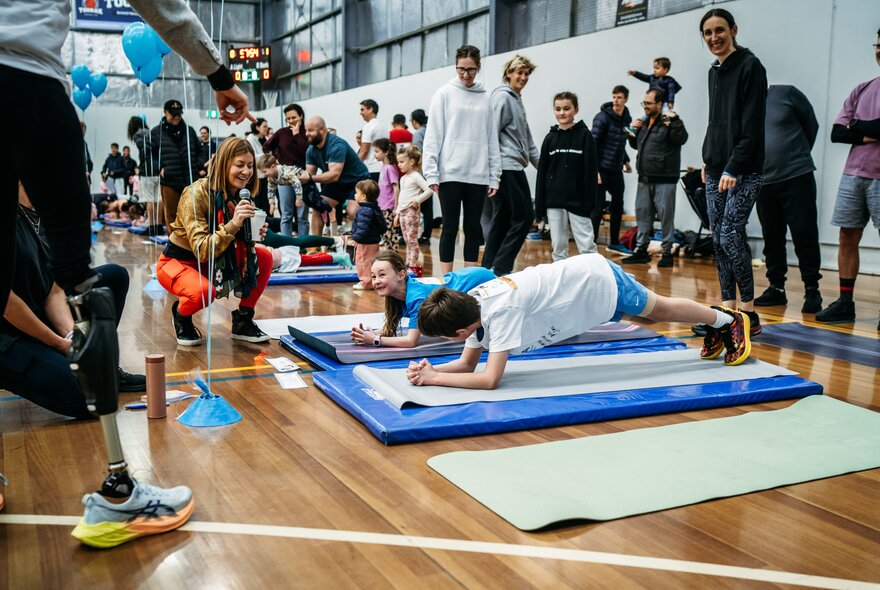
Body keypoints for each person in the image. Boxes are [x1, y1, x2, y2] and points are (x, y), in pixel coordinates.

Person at [2, 0, 255, 544]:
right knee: (84, 284)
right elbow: (163, 7)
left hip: (30, 83)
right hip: (28, 84)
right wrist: (219, 74)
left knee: (89, 286)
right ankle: (118, 494)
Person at [411, 254, 752, 389]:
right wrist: (434, 371)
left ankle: (729, 320)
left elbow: (489, 380)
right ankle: (721, 322)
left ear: (459, 330)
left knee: (658, 311)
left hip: (595, 280)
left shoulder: (499, 312)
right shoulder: (472, 307)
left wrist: (432, 380)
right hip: (583, 292)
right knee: (654, 313)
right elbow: (468, 364)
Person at [1, 184, 145, 420]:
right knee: (89, 400)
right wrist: (58, 344)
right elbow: (8, 305)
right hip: (9, 335)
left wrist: (75, 339)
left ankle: (104, 368)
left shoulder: (44, 213)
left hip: (38, 311)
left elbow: (54, 292)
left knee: (114, 277)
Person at [157, 138, 272, 346]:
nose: (246, 172)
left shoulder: (240, 196)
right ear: (224, 163)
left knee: (264, 256)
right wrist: (235, 224)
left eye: (250, 166)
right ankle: (181, 316)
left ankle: (243, 320)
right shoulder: (195, 193)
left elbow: (237, 241)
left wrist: (254, 233)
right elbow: (202, 249)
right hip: (178, 263)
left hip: (214, 261)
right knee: (202, 292)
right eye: (239, 165)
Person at [700, 8, 767, 336]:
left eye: (720, 30)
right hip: (715, 168)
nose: (714, 38)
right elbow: (717, 121)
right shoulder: (714, 71)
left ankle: (749, 314)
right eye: (708, 33)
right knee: (717, 239)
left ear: (733, 30)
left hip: (744, 170)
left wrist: (733, 166)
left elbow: (751, 125)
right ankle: (727, 311)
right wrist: (708, 159)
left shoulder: (751, 66)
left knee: (730, 235)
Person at [815, 29, 880, 328]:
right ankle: (845, 302)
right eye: (878, 44)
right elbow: (837, 132)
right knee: (847, 236)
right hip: (853, 175)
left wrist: (858, 127)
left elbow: (854, 128)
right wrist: (868, 128)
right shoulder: (863, 88)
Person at [423, 44, 502, 274]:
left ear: (478, 68)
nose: (466, 74)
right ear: (455, 67)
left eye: (471, 69)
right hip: (450, 173)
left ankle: (468, 279)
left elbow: (491, 139)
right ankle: (447, 280)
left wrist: (494, 176)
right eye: (461, 69)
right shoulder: (444, 93)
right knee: (449, 228)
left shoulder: (485, 98)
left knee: (472, 228)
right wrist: (431, 172)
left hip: (478, 175)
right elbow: (433, 135)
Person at [753, 84, 822, 312]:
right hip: (763, 181)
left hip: (797, 176)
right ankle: (776, 288)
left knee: (804, 234)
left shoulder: (787, 93)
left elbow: (811, 125)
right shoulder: (744, 104)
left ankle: (812, 290)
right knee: (772, 237)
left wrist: (796, 156)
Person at [351, 251, 494, 348]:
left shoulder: (416, 298)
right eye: (374, 276)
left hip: (480, 280)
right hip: (467, 276)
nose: (376, 281)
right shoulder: (398, 295)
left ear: (401, 275)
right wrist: (370, 334)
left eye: (382, 275)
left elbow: (411, 341)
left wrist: (375, 340)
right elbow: (390, 328)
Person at [481, 54, 540, 276]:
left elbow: (528, 142)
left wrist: (544, 169)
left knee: (503, 219)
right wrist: (493, 173)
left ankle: (487, 270)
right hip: (506, 167)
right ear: (509, 73)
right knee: (524, 218)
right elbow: (490, 135)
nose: (523, 77)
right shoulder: (503, 98)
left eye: (526, 74)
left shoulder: (516, 99)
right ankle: (501, 268)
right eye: (519, 73)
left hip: (513, 165)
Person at [622, 88, 689, 268]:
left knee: (666, 216)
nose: (645, 106)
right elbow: (637, 145)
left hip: (665, 178)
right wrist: (632, 131)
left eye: (649, 103)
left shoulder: (669, 120)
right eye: (644, 103)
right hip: (644, 177)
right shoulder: (645, 123)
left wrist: (673, 121)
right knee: (643, 214)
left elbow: (681, 139)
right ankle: (641, 250)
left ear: (659, 104)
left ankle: (667, 252)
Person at [535, 91, 599, 260]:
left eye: (566, 108)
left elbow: (591, 172)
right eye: (558, 109)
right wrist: (540, 207)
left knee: (587, 248)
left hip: (579, 203)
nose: (562, 113)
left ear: (575, 110)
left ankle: (594, 282)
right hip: (554, 202)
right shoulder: (550, 138)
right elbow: (542, 173)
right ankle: (562, 283)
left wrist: (589, 203)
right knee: (558, 248)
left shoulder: (585, 136)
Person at [298, 116, 370, 237]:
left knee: (352, 212)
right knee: (318, 208)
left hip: (357, 181)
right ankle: (315, 247)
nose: (306, 134)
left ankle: (362, 241)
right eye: (306, 130)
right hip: (337, 184)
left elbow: (334, 175)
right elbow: (309, 174)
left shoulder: (337, 145)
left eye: (310, 130)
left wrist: (309, 178)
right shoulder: (311, 150)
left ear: (321, 130)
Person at [150, 99, 207, 234]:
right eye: (172, 114)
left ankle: (192, 246)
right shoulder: (156, 132)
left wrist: (198, 167)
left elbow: (201, 151)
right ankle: (174, 248)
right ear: (165, 112)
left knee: (193, 215)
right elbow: (149, 156)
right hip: (169, 181)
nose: (176, 117)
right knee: (171, 216)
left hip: (191, 181)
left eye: (179, 114)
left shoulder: (189, 131)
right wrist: (160, 169)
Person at [590, 85, 633, 253]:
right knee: (597, 208)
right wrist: (595, 171)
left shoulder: (626, 118)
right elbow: (592, 144)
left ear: (626, 99)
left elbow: (619, 143)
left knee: (618, 205)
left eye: (619, 97)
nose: (616, 100)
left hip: (615, 169)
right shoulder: (602, 117)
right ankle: (591, 246)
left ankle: (614, 242)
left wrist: (626, 161)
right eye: (614, 97)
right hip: (600, 169)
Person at [263, 103, 309, 236]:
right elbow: (266, 146)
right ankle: (286, 245)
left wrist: (296, 134)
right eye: (288, 118)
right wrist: (274, 159)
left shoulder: (306, 132)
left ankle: (303, 246)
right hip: (283, 174)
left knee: (302, 216)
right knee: (286, 214)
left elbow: (306, 150)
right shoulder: (282, 132)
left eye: (294, 117)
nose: (291, 121)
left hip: (302, 174)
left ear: (301, 116)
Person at [395, 146, 434, 275]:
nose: (398, 165)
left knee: (412, 240)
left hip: (411, 212)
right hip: (403, 212)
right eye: (398, 162)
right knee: (406, 240)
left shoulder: (416, 176)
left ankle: (413, 266)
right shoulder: (403, 178)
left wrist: (417, 200)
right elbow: (402, 196)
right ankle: (408, 263)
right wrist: (397, 213)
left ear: (411, 162)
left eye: (401, 162)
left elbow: (429, 190)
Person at [349, 179, 387, 290]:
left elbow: (363, 227)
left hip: (364, 242)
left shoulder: (364, 210)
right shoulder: (376, 208)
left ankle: (366, 282)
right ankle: (373, 280)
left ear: (363, 196)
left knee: (363, 262)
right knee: (372, 261)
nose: (355, 195)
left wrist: (356, 238)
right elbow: (382, 226)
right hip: (374, 241)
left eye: (357, 193)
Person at [128, 115, 163, 234]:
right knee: (159, 199)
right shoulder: (151, 133)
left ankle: (152, 227)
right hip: (159, 169)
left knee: (150, 200)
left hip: (148, 170)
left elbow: (145, 151)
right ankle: (158, 226)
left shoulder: (137, 135)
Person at [373, 138, 401, 249]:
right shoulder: (384, 167)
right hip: (383, 207)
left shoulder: (390, 168)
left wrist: (396, 207)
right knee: (386, 234)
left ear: (386, 152)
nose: (375, 154)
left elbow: (396, 188)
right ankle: (389, 256)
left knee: (390, 234)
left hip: (389, 208)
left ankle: (393, 257)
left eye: (377, 151)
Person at [410, 108, 432, 243]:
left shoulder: (418, 133)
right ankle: (427, 234)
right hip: (432, 172)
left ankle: (415, 234)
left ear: (414, 121)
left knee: (417, 203)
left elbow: (415, 153)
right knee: (428, 205)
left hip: (421, 172)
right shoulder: (430, 130)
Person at [359, 99, 388, 181]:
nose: (360, 113)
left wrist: (354, 166)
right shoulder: (384, 127)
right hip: (384, 167)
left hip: (370, 168)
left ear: (370, 109)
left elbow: (364, 151)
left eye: (362, 109)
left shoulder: (368, 126)